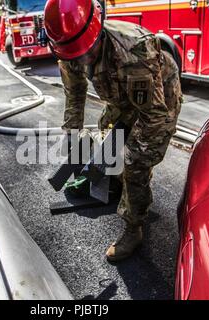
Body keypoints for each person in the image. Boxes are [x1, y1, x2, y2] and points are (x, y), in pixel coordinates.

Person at [43, 0, 183, 261]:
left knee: (134, 161)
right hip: (121, 94)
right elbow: (74, 94)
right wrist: (72, 136)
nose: (82, 60)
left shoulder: (134, 50)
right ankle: (119, 186)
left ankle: (133, 226)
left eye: (87, 52)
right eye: (75, 56)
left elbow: (150, 113)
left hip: (157, 101)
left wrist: (131, 150)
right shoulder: (68, 47)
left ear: (97, 31)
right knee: (106, 135)